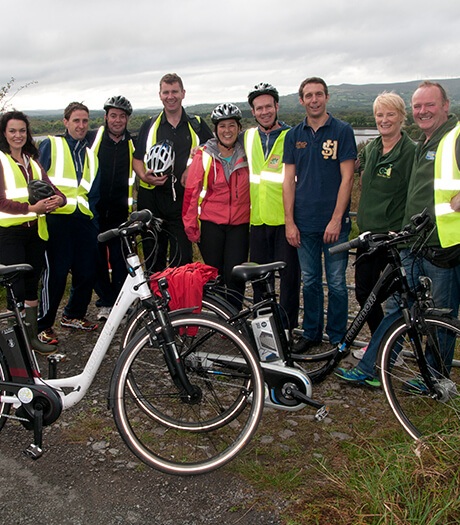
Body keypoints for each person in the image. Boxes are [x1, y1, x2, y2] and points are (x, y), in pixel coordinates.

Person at [336, 81, 460, 386]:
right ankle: (374, 368)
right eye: (418, 106)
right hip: (415, 242)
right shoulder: (428, 140)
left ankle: (435, 379)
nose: (423, 111)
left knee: (439, 317)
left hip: (444, 246)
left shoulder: (454, 136)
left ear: (446, 105)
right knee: (398, 307)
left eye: (429, 105)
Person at [283, 77, 357, 352]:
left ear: (326, 97)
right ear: (301, 100)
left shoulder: (342, 130)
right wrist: (290, 222)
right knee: (311, 281)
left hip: (335, 223)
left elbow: (347, 178)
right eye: (308, 95)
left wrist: (337, 218)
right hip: (304, 222)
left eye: (318, 94)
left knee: (337, 284)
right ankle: (312, 333)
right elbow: (288, 180)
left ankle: (337, 336)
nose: (314, 100)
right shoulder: (293, 135)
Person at [133, 73, 213, 271]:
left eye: (174, 91)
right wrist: (144, 176)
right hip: (152, 200)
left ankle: (179, 301)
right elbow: (136, 160)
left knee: (182, 260)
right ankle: (156, 301)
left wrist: (194, 164)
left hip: (183, 203)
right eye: (166, 92)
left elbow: (215, 150)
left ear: (183, 93)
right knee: (154, 259)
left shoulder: (197, 124)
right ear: (160, 95)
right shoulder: (149, 125)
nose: (171, 96)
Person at [0, 111, 65, 354]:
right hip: (9, 234)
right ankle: (14, 345)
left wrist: (57, 200)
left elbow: (57, 192)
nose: (18, 135)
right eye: (12, 131)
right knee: (14, 290)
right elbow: (1, 201)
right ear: (4, 133)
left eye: (22, 131)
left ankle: (31, 340)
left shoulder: (33, 161)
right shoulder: (1, 160)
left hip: (36, 233)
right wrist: (32, 208)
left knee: (31, 287)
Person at [37, 102, 100, 345]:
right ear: (66, 122)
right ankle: (43, 325)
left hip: (83, 218)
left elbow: (93, 191)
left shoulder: (90, 155)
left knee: (87, 270)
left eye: (85, 121)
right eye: (76, 120)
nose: (81, 125)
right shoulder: (51, 144)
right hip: (56, 217)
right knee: (57, 272)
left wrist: (92, 221)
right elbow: (37, 177)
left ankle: (73, 314)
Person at [354, 92, 415, 336]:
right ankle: (381, 344)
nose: (384, 119)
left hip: (392, 237)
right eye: (380, 114)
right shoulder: (372, 148)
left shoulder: (410, 151)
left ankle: (389, 346)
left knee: (392, 297)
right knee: (363, 293)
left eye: (391, 114)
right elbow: (355, 168)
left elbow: (416, 192)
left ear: (402, 117)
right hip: (368, 235)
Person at [244, 83, 300, 332]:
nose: (264, 111)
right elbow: (221, 145)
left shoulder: (293, 135)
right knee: (259, 281)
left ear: (277, 106)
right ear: (253, 112)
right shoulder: (248, 136)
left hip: (285, 221)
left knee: (289, 280)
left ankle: (286, 329)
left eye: (268, 106)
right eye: (259, 108)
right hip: (257, 221)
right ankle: (263, 329)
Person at [182, 103, 250, 304]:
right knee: (215, 274)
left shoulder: (248, 153)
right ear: (215, 130)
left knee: (236, 275)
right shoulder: (204, 155)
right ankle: (220, 320)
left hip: (240, 223)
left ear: (239, 128)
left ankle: (235, 319)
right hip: (211, 224)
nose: (227, 131)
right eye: (222, 126)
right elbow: (191, 193)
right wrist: (191, 226)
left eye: (231, 125)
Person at [88, 96, 135, 321]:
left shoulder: (132, 144)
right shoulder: (92, 140)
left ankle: (120, 303)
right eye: (113, 115)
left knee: (120, 260)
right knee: (96, 260)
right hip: (95, 211)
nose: (117, 120)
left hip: (120, 213)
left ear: (127, 119)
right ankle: (105, 302)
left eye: (122, 116)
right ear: (106, 117)